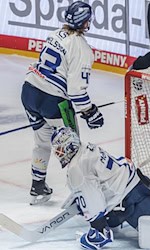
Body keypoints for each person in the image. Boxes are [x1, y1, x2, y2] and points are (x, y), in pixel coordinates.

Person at [21, 1, 104, 205]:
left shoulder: (55, 34)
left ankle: (37, 186)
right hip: (53, 102)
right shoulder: (82, 47)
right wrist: (89, 111)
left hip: (29, 92)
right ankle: (81, 195)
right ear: (85, 22)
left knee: (42, 142)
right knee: (73, 149)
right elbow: (76, 91)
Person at [51, 127, 150, 250]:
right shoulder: (86, 148)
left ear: (69, 146)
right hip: (136, 184)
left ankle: (106, 224)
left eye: (60, 150)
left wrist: (98, 227)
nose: (59, 154)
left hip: (132, 200)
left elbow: (92, 196)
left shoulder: (76, 167)